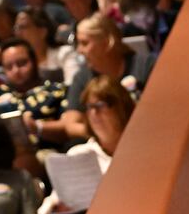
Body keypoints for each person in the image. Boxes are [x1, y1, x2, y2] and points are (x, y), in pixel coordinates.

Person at [37, 72, 131, 214]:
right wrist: (56, 208)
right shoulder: (78, 154)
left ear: (120, 108)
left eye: (100, 106)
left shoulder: (139, 152)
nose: (93, 113)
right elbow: (51, 205)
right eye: (89, 107)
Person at [60, 13, 155, 141]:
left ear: (108, 42)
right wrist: (105, 133)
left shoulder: (146, 65)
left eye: (84, 43)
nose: (79, 50)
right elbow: (71, 125)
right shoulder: (82, 78)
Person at [0, 38, 71, 149]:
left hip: (47, 152)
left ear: (35, 61)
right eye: (9, 67)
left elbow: (69, 128)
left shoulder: (56, 91)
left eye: (22, 63)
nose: (16, 70)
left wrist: (37, 127)